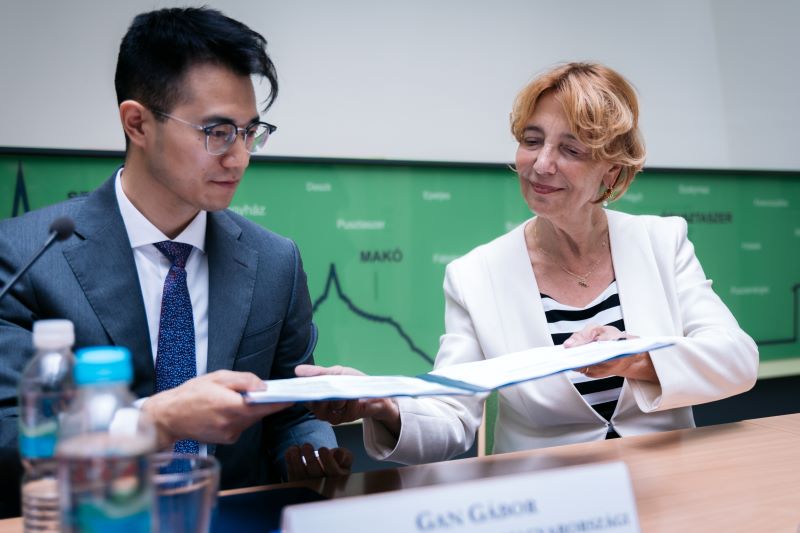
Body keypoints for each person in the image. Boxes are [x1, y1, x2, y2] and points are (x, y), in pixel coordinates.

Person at [297, 62, 759, 465]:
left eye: (571, 150)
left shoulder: (662, 241)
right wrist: (383, 403)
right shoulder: (475, 275)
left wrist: (635, 358)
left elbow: (736, 359)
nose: (541, 164)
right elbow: (453, 416)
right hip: (543, 503)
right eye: (532, 141)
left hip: (668, 487)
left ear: (612, 170)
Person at [0, 6, 351, 505]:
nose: (239, 157)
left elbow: (289, 415)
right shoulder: (27, 257)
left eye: (250, 132)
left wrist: (310, 450)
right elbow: (11, 433)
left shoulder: (275, 262)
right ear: (138, 124)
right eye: (217, 132)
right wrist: (154, 421)